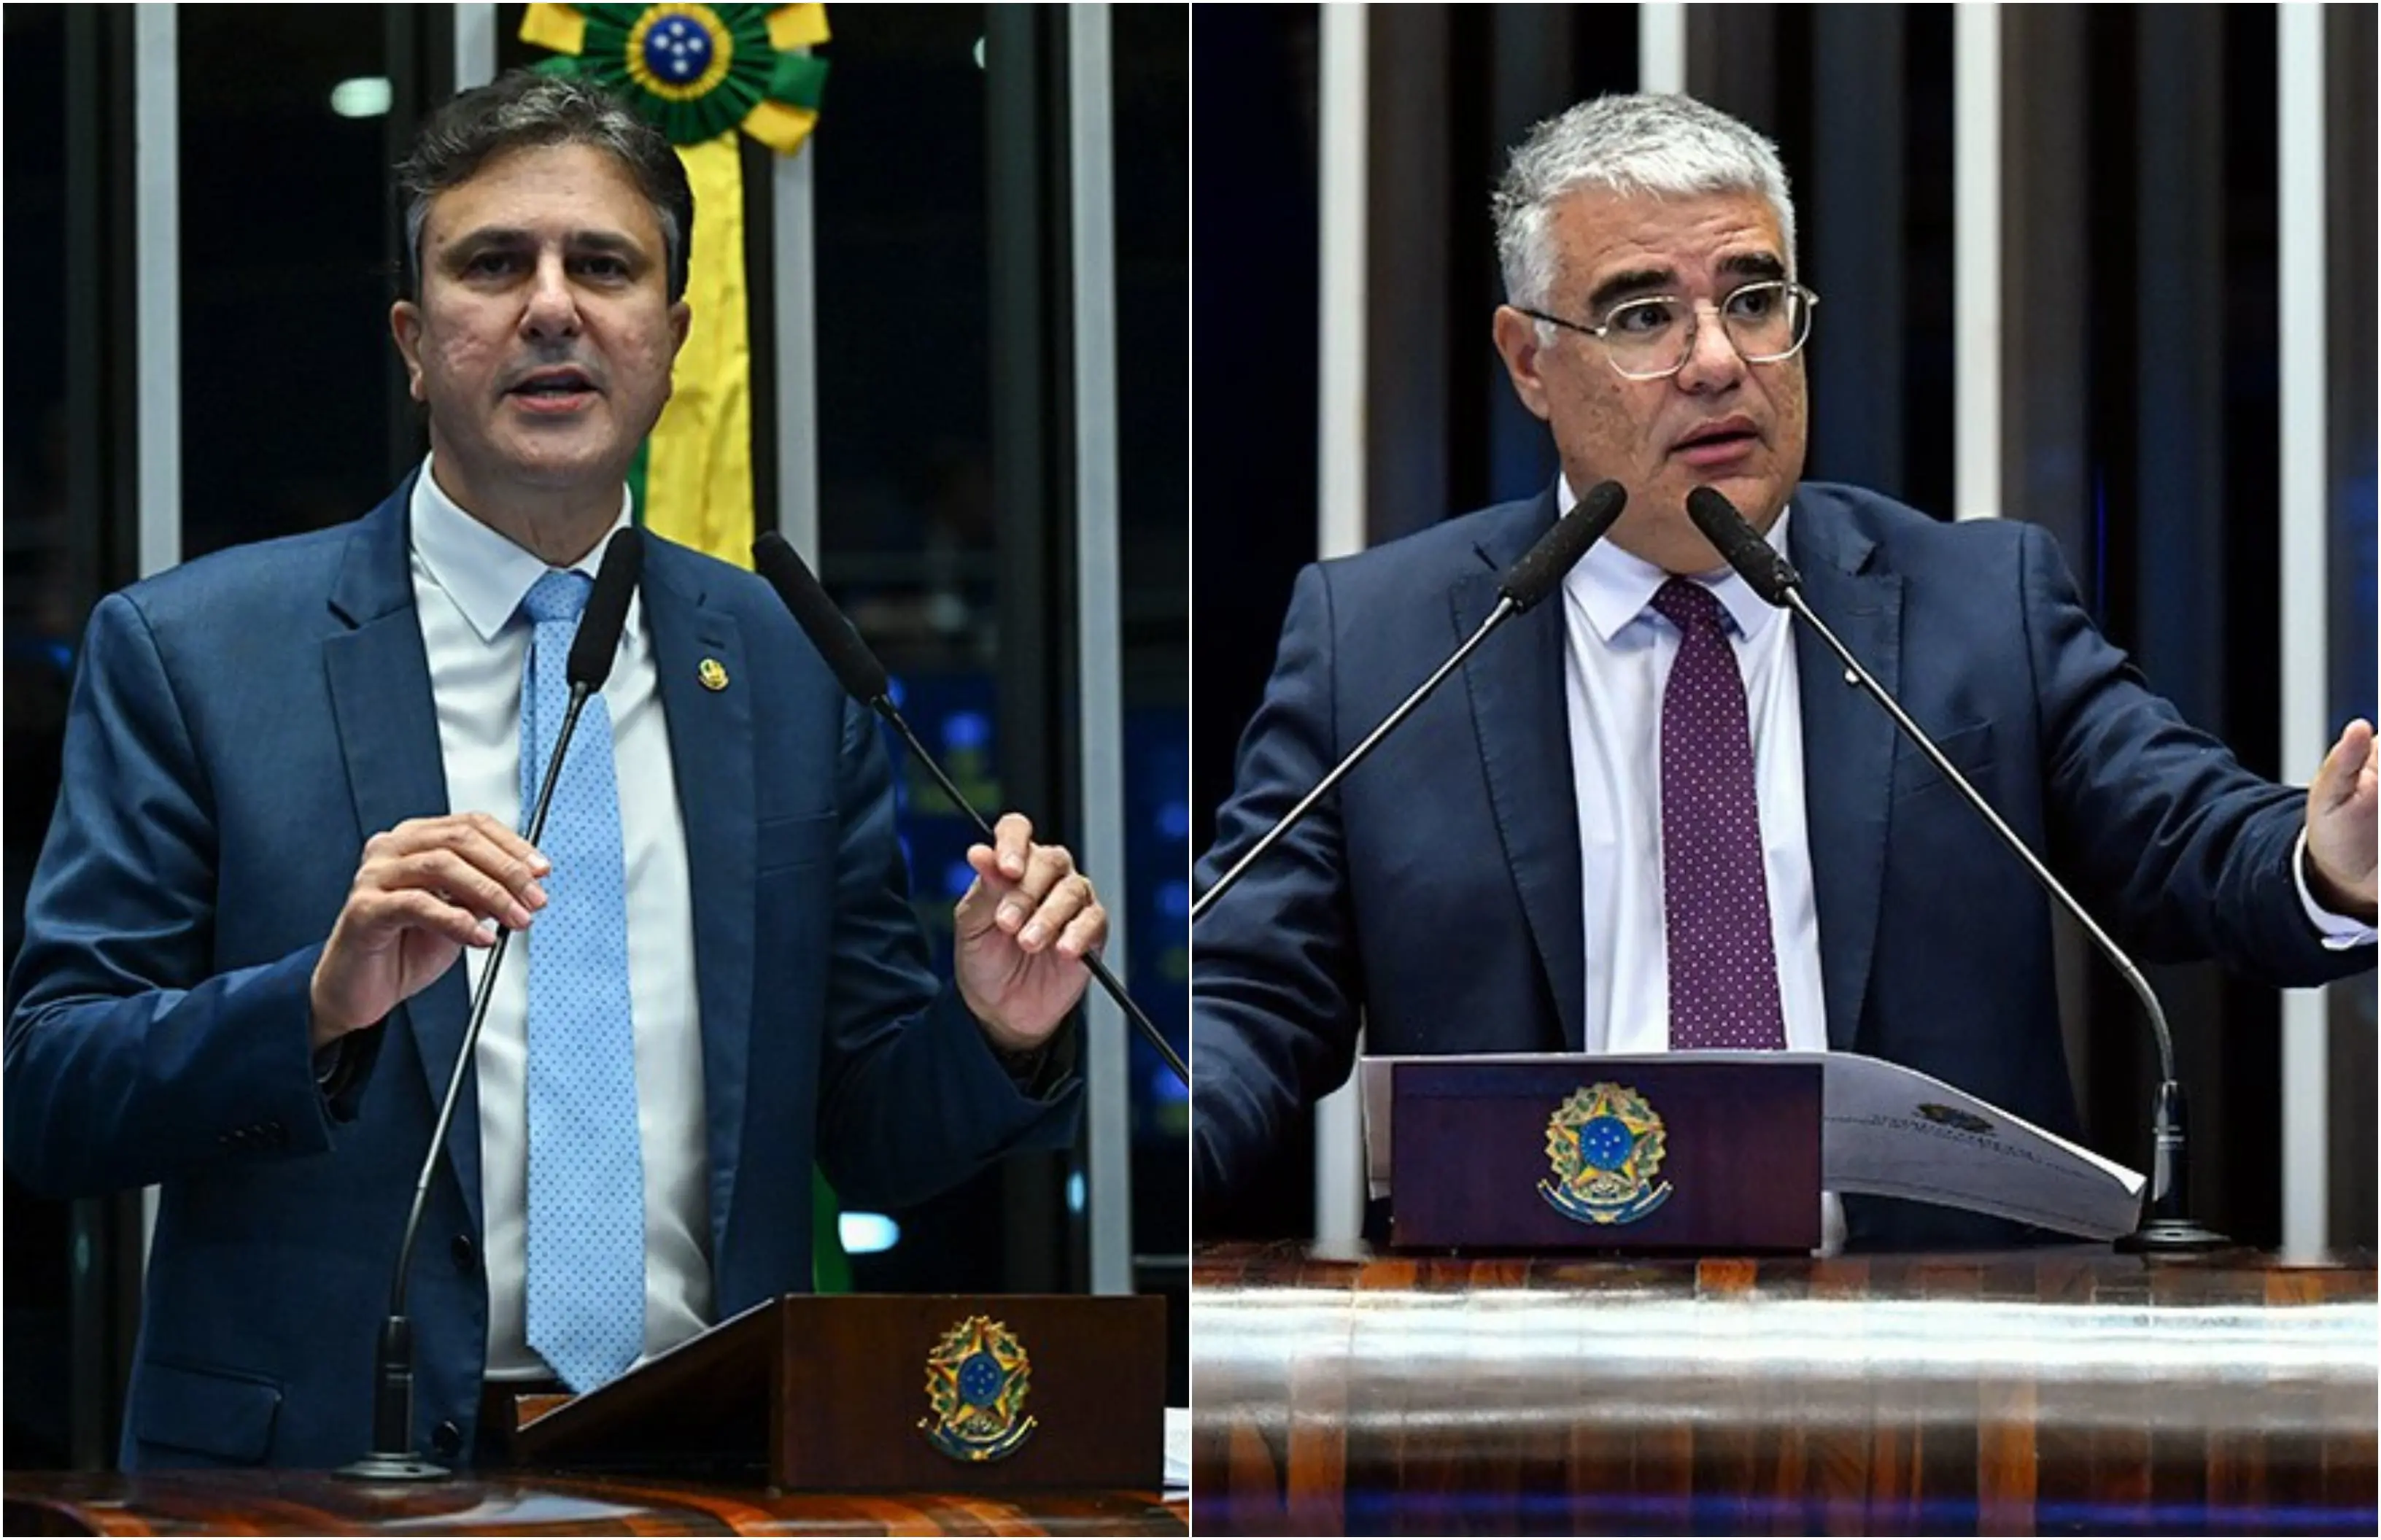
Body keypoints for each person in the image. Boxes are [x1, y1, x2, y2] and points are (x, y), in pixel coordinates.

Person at [4, 72, 1108, 1470]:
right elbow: (49, 1092)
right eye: (490, 263)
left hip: (719, 1466)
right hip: (324, 1477)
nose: (549, 306)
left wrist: (997, 1028)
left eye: (602, 264)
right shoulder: (194, 653)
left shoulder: (783, 663)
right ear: (414, 340)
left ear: (670, 336)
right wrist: (318, 1003)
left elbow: (867, 1127)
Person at [1191, 93, 2377, 1247]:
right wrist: (1052, 1047)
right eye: (1643, 316)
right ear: (1531, 361)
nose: (1718, 361)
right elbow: (1243, 1007)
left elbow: (2189, 836)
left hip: (1932, 1379)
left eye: (1754, 300)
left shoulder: (1976, 603)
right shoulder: (1385, 643)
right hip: (1520, 1364)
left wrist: (2330, 859)